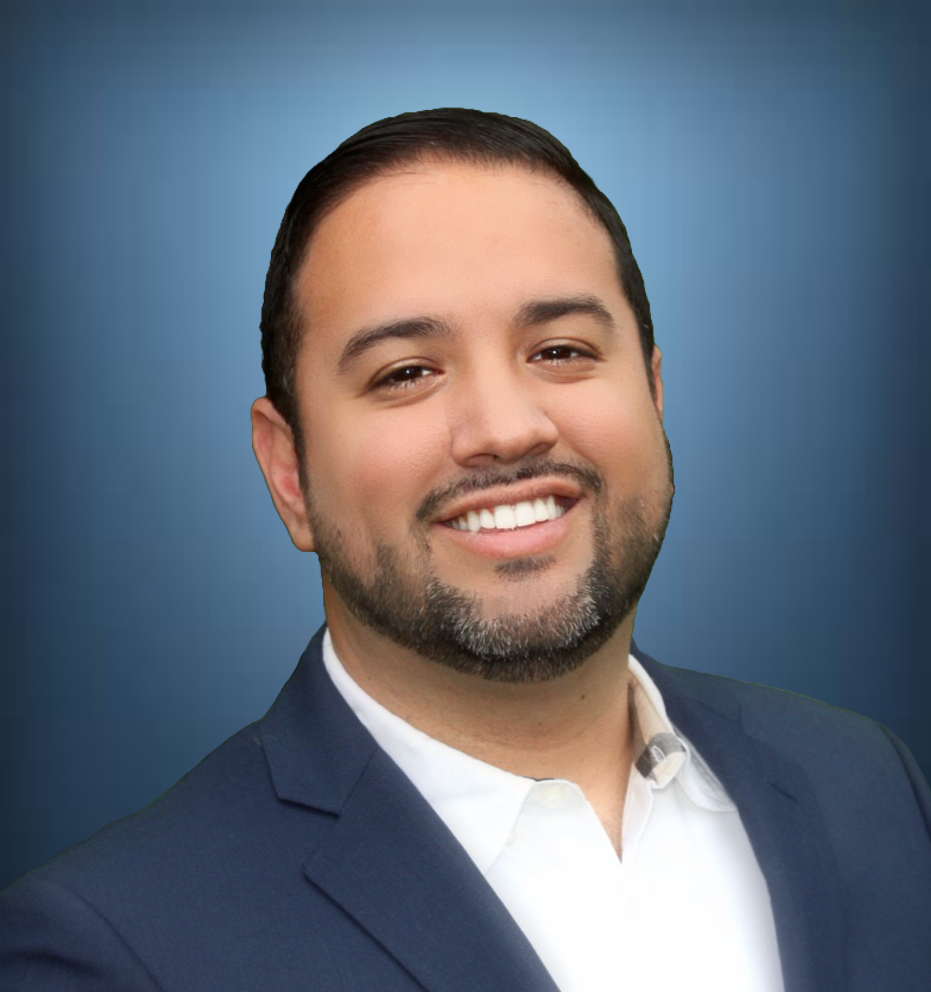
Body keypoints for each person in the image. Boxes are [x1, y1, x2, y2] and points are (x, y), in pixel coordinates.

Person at [1, 108, 928, 991]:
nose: (506, 428)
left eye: (560, 351)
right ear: (290, 474)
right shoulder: (110, 950)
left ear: (652, 394)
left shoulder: (869, 786)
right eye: (406, 373)